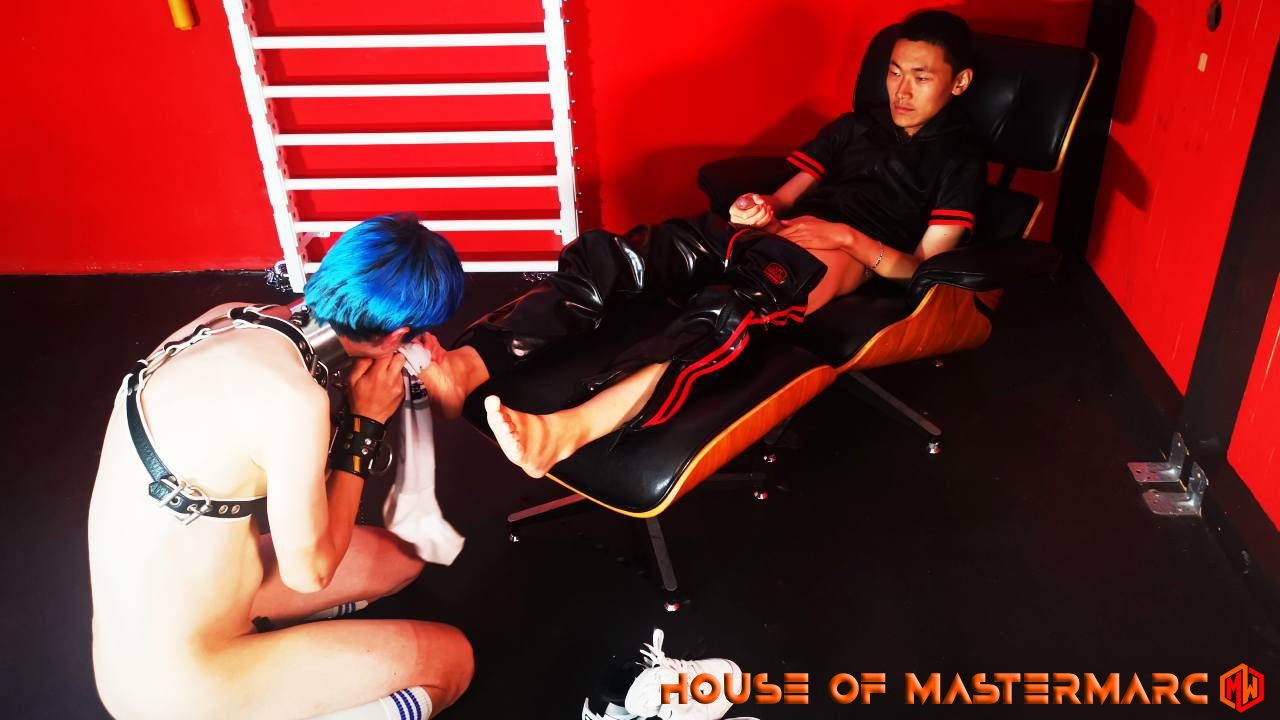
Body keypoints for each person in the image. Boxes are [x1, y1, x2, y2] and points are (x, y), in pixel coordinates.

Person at [420, 9, 985, 480]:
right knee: (616, 254)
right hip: (766, 234)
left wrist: (848, 238)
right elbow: (782, 198)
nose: (901, 91)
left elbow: (924, 270)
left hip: (823, 262)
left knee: (718, 317)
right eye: (894, 73)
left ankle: (566, 432)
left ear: (959, 82)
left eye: (921, 77)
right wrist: (756, 208)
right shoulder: (853, 127)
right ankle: (470, 366)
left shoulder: (957, 159)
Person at [88, 214, 474, 719]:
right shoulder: (294, 402)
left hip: (168, 613)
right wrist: (367, 422)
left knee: (401, 559)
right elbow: (310, 574)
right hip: (175, 682)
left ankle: (284, 658)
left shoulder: (229, 317)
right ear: (399, 334)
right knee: (452, 662)